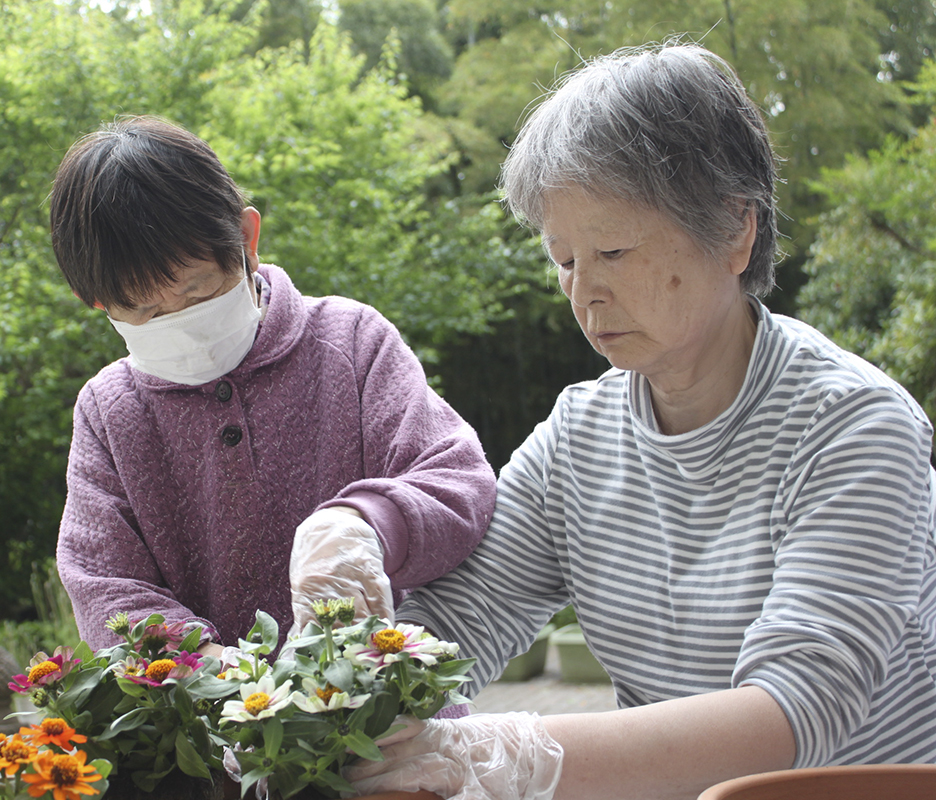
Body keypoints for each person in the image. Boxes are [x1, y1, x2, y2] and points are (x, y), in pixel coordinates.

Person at [347, 42, 936, 800]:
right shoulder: (577, 440)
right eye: (562, 259)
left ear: (734, 229)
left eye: (614, 250)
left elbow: (794, 714)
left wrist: (504, 750)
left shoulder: (853, 425)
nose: (584, 293)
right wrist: (337, 692)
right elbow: (463, 617)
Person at [48, 116, 494, 659]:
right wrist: (203, 665)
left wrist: (364, 525)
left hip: (390, 716)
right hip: (209, 730)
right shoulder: (109, 411)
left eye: (198, 292)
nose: (180, 320)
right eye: (144, 310)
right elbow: (102, 581)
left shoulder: (350, 343)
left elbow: (457, 481)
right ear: (93, 300)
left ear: (246, 240)